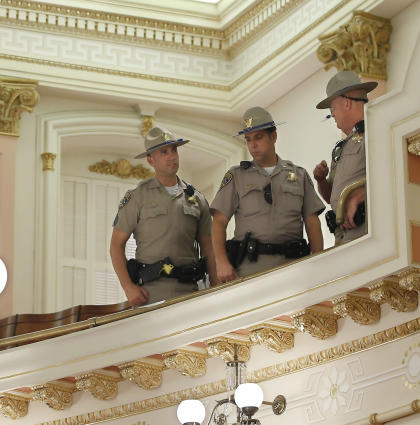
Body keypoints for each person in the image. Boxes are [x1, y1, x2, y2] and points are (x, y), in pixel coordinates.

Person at [211, 107, 324, 283]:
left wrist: (319, 262)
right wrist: (221, 262)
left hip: (294, 266)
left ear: (274, 136)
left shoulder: (299, 175)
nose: (253, 145)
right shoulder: (236, 176)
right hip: (250, 269)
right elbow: (218, 222)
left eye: (258, 137)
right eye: (248, 140)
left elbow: (312, 221)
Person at [110, 127, 216, 306]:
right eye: (164, 152)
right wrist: (128, 287)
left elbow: (209, 247)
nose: (172, 156)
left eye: (174, 150)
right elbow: (116, 245)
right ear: (151, 160)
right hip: (151, 294)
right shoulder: (137, 197)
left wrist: (215, 286)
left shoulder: (197, 199)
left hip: (191, 293)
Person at [313, 70, 377, 245]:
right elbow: (331, 198)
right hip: (344, 236)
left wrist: (361, 194)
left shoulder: (376, 130)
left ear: (347, 103)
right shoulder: (342, 146)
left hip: (368, 231)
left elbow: (393, 172)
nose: (332, 114)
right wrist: (321, 180)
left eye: (332, 108)